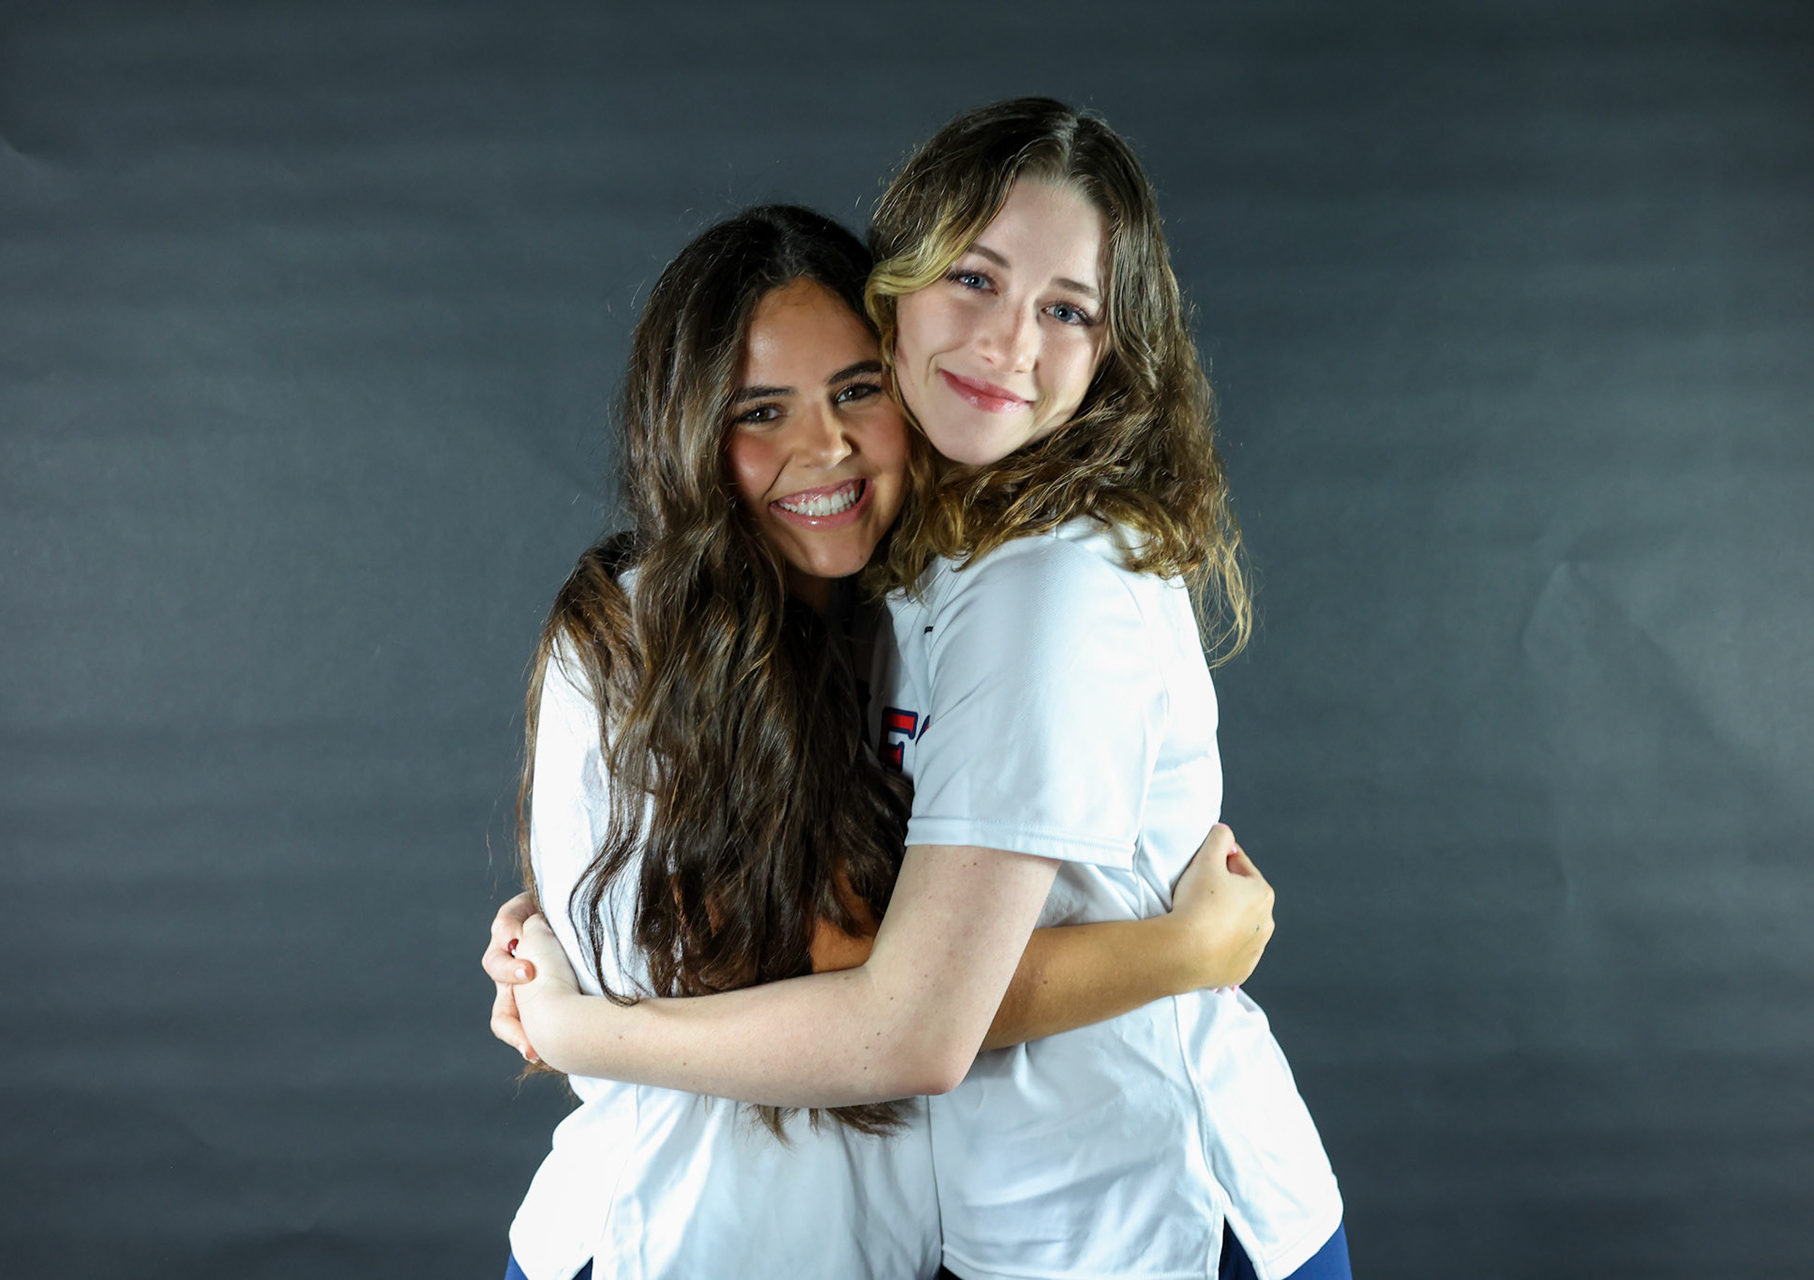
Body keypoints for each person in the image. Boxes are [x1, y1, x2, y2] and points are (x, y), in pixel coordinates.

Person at [497, 99, 1349, 1280]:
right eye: (973, 280)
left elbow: (907, 1008)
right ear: (904, 293)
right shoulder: (800, 603)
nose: (1007, 345)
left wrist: (1189, 950)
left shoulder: (1038, 584)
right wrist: (1181, 946)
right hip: (713, 1232)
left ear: (1114, 349)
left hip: (1145, 1220)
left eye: (1066, 309)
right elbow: (847, 972)